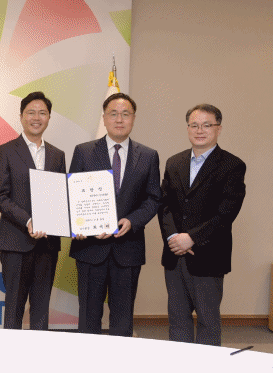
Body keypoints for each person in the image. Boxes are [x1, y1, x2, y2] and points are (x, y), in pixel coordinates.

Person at [69, 93, 161, 336]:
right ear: (104, 118)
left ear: (133, 118)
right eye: (113, 114)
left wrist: (132, 220)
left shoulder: (148, 155)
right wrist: (79, 227)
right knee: (88, 318)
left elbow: (153, 198)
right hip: (90, 249)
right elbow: (72, 195)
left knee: (122, 320)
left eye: (125, 114)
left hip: (128, 249)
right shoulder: (84, 151)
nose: (119, 119)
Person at [158, 104, 245, 346]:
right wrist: (173, 237)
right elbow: (164, 205)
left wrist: (192, 238)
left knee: (208, 322)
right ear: (188, 128)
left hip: (208, 256)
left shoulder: (232, 165)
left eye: (207, 125)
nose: (200, 130)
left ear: (218, 129)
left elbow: (226, 212)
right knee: (177, 321)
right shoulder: (174, 162)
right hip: (175, 255)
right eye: (194, 125)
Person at [0, 91, 66, 330]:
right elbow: (0, 196)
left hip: (48, 244)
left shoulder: (57, 155)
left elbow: (60, 197)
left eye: (42, 113)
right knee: (14, 307)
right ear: (22, 116)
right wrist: (28, 221)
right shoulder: (4, 151)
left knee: (41, 309)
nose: (36, 117)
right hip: (16, 241)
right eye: (31, 112)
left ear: (49, 117)